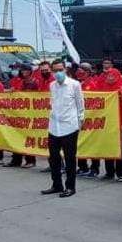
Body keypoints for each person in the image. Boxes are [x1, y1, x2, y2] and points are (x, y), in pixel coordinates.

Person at [41, 60, 84, 198]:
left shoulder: (74, 85)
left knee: (70, 158)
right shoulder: (52, 85)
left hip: (69, 127)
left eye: (60, 69)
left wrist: (80, 122)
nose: (58, 73)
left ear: (65, 69)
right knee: (54, 158)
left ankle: (70, 187)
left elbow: (80, 105)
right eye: (55, 70)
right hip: (54, 126)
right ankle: (57, 185)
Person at [5, 64, 38, 169]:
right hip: (20, 113)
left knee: (28, 138)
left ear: (29, 71)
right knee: (16, 136)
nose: (22, 72)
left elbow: (39, 96)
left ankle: (30, 160)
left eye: (24, 70)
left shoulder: (35, 82)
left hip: (30, 114)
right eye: (22, 70)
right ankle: (16, 159)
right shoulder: (22, 82)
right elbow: (18, 93)